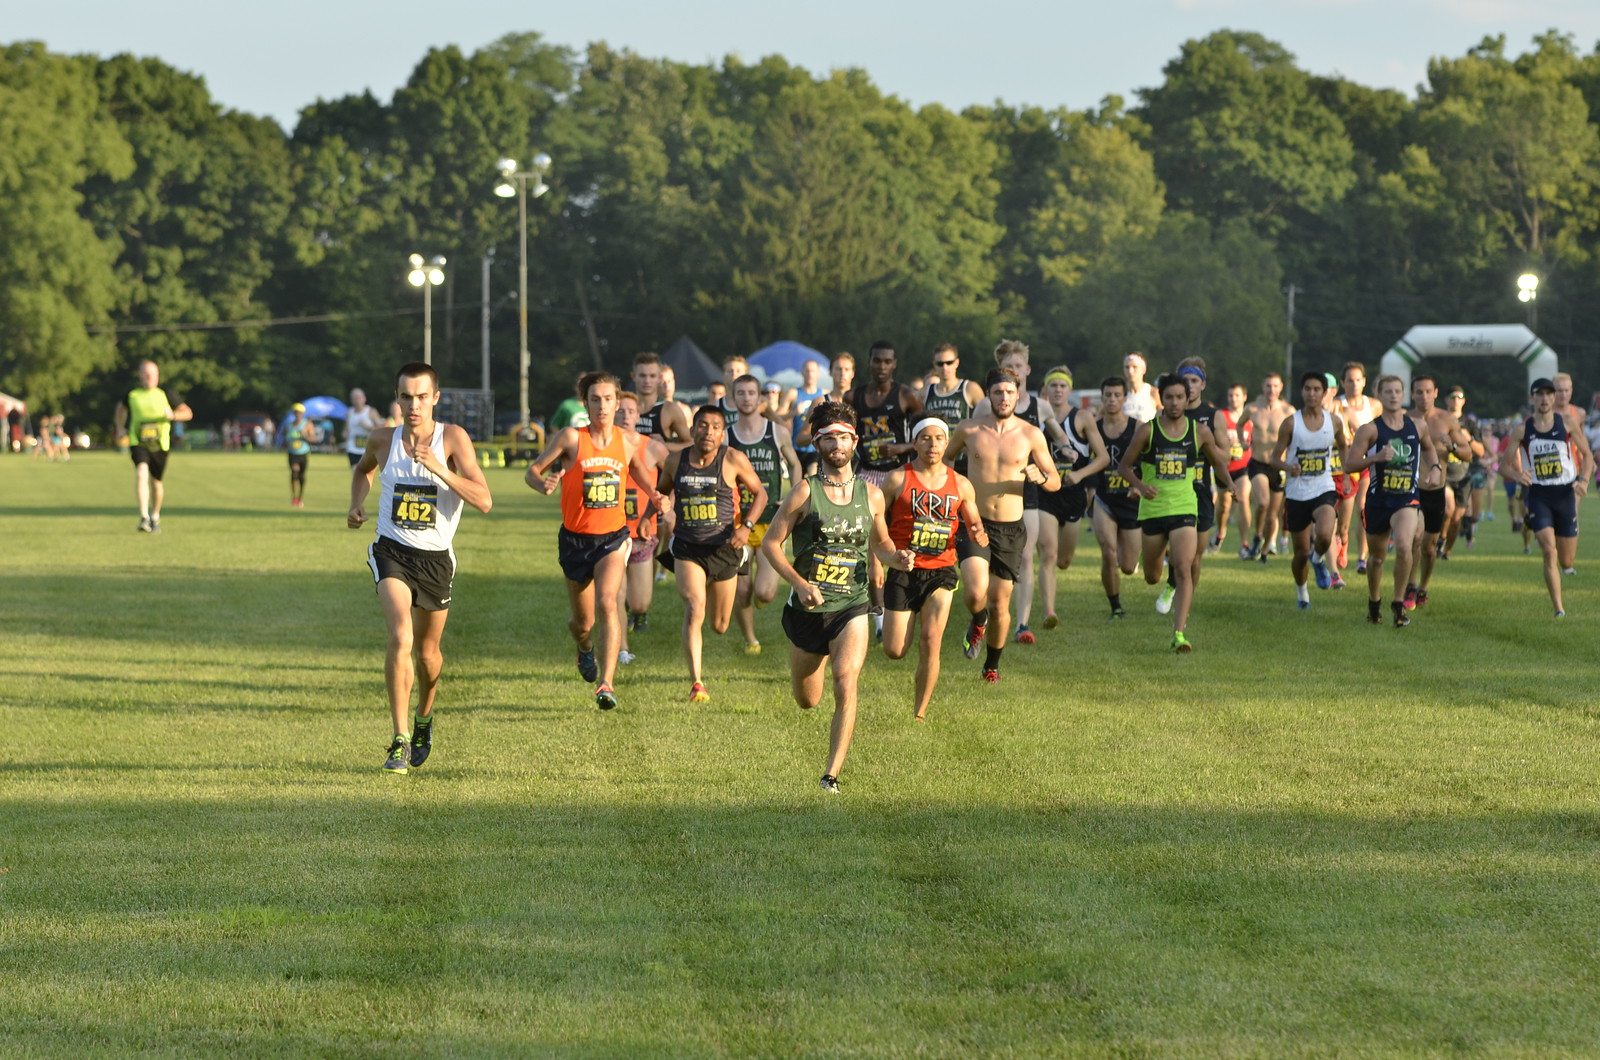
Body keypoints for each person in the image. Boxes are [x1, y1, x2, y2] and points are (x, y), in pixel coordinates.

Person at [761, 401, 915, 793]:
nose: (837, 443)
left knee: (846, 681)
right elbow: (771, 544)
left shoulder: (872, 495)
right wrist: (798, 583)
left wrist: (895, 556)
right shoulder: (803, 492)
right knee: (807, 700)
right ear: (817, 443)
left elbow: (879, 544)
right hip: (809, 609)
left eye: (844, 437)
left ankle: (831, 776)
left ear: (855, 441)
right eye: (829, 437)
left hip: (853, 603)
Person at [349, 362, 494, 774]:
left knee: (429, 656)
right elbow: (363, 472)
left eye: (421, 396)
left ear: (435, 398)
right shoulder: (381, 439)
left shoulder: (454, 439)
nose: (413, 404)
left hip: (436, 559)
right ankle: (398, 739)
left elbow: (484, 500)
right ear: (396, 398)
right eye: (405, 396)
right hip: (391, 550)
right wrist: (355, 504)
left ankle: (423, 718)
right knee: (401, 635)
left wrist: (438, 467)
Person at [528, 372, 662, 710]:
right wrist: (542, 483)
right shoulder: (571, 438)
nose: (602, 405)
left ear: (617, 403)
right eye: (594, 399)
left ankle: (607, 683)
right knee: (583, 623)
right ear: (585, 404)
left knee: (608, 601)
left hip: (613, 538)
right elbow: (533, 470)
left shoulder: (628, 441)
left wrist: (654, 495)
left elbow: (637, 470)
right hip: (575, 541)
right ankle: (584, 648)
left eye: (607, 399)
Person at [944, 368, 1060, 682]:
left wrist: (1042, 476)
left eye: (1009, 392)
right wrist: (951, 493)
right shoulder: (968, 430)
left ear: (1018, 394)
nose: (1004, 398)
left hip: (1010, 528)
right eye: (998, 392)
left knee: (999, 602)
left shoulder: (1030, 434)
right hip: (974, 523)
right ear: (989, 395)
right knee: (974, 591)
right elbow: (945, 462)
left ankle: (991, 666)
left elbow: (1056, 481)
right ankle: (976, 620)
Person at [1117, 374, 1243, 652]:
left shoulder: (1199, 431)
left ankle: (1179, 634)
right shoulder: (1147, 431)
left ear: (1188, 399)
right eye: (1169, 397)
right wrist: (1139, 485)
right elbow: (1123, 467)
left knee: (1184, 566)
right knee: (1151, 576)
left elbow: (1217, 461)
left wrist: (1230, 484)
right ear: (1161, 398)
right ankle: (1152, 562)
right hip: (1153, 510)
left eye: (1179, 397)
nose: (1174, 403)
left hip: (1186, 507)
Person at [880, 417, 987, 721]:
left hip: (941, 570)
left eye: (939, 438)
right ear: (914, 442)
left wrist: (979, 532)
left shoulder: (961, 484)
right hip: (903, 568)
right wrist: (882, 558)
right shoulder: (897, 479)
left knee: (931, 639)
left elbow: (974, 521)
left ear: (947, 442)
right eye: (925, 438)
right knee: (894, 650)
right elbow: (878, 523)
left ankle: (920, 712)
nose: (933, 444)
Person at [659, 405, 767, 702]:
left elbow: (761, 494)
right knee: (695, 607)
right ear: (692, 430)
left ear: (723, 433)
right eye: (703, 426)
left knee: (719, 626)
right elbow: (662, 492)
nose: (708, 432)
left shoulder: (733, 459)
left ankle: (713, 582)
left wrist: (745, 527)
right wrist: (660, 510)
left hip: (725, 547)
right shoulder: (674, 461)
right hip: (688, 547)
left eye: (715, 427)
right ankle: (697, 683)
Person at [1343, 374, 1439, 628]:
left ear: (1403, 394)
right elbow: (1349, 464)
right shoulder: (1370, 430)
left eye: (1398, 391)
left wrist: (1436, 467)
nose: (1394, 396)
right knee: (1377, 558)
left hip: (1406, 498)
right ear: (1380, 395)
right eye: (1388, 392)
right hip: (1378, 500)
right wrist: (1374, 459)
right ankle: (1374, 602)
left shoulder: (1417, 426)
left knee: (1405, 546)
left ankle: (1398, 604)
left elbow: (1428, 447)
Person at [1501, 378, 1594, 616]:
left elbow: (1588, 456)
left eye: (1548, 394)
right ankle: (1559, 609)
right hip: (1539, 494)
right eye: (1539, 395)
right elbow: (1503, 466)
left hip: (1565, 493)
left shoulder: (1568, 423)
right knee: (1548, 550)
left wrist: (1583, 481)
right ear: (1532, 398)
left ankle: (1560, 555)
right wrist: (1517, 474)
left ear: (1554, 398)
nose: (1544, 399)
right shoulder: (1522, 430)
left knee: (1566, 559)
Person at [728, 374, 803, 654]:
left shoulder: (776, 431)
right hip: (738, 523)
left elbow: (795, 463)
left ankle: (760, 603)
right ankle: (751, 639)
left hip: (771, 521)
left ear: (760, 398)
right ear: (733, 398)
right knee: (742, 590)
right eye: (741, 393)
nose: (746, 398)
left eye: (751, 393)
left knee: (765, 592)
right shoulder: (726, 435)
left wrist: (793, 494)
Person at [1035, 365, 1110, 628]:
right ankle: (1049, 612)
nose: (1057, 390)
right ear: (1045, 389)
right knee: (1049, 554)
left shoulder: (1082, 418)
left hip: (1073, 494)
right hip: (1044, 494)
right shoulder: (1034, 417)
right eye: (1052, 385)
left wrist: (1080, 476)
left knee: (1064, 561)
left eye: (1062, 386)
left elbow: (1103, 458)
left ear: (1070, 389)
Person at [1267, 372, 1349, 608]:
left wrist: (1344, 475)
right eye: (1307, 389)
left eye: (1316, 389)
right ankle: (1302, 592)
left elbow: (1344, 447)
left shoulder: (1333, 421)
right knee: (1300, 553)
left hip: (1324, 487)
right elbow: (1274, 458)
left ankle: (1319, 558)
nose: (1311, 394)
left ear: (1324, 393)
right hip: (1296, 493)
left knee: (1324, 534)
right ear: (1302, 392)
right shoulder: (1291, 423)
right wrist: (1287, 466)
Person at [1407, 374, 1473, 609]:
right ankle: (1411, 586)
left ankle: (1423, 586)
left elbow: (1468, 454)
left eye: (1428, 392)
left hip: (1434, 489)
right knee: (1413, 538)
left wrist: (1452, 446)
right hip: (1409, 489)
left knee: (1428, 547)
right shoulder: (1404, 420)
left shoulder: (1446, 420)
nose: (1423, 396)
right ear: (1412, 394)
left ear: (1435, 393)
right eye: (1418, 392)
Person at [615, 391, 669, 652]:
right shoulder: (602, 446)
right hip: (610, 532)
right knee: (615, 594)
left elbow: (672, 480)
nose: (625, 416)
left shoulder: (653, 447)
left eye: (631, 411)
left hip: (642, 532)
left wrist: (667, 508)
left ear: (639, 415)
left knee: (639, 602)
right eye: (621, 411)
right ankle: (622, 649)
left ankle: (636, 612)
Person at [114, 360, 194, 533]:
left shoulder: (166, 394)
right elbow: (120, 408)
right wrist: (120, 428)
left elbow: (187, 413)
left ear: (157, 375)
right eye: (146, 373)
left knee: (156, 483)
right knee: (141, 473)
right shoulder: (133, 395)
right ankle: (144, 518)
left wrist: (172, 415)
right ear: (140, 375)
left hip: (160, 445)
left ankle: (155, 516)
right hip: (138, 442)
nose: (150, 377)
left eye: (153, 374)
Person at [1092, 376, 1142, 619]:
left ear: (1125, 398)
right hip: (1104, 500)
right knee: (1108, 553)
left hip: (1131, 502)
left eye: (1116, 395)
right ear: (1102, 398)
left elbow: (1150, 463)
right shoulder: (1094, 428)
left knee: (1128, 566)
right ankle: (1116, 606)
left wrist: (1140, 486)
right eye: (1107, 395)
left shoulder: (1139, 427)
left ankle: (1125, 575)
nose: (1112, 399)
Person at [845, 340, 922, 487]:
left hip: (899, 473)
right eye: (877, 361)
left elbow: (926, 436)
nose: (882, 367)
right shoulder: (852, 397)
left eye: (887, 362)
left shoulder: (907, 396)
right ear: (869, 362)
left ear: (894, 364)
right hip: (864, 473)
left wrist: (901, 448)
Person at [1244, 372, 1294, 561]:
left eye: (1275, 386)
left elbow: (1298, 433)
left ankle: (1264, 549)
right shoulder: (1253, 409)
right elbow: (1240, 425)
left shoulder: (1288, 411)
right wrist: (1243, 441)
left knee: (1273, 514)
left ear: (1280, 387)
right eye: (1268, 386)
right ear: (1262, 387)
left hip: (1279, 465)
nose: (1271, 390)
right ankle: (1257, 535)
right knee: (1262, 503)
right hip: (1258, 463)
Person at [1212, 383, 1254, 556]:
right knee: (1223, 506)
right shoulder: (1221, 416)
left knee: (1243, 497)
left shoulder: (1251, 418)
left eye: (1237, 395)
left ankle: (1244, 543)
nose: (1233, 399)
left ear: (1244, 397)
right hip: (1224, 468)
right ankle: (1220, 533)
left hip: (1244, 467)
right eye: (1230, 395)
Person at [784, 356, 828, 477]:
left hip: (815, 449)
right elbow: (777, 417)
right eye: (807, 370)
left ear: (818, 374)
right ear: (802, 373)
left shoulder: (824, 394)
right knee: (796, 488)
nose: (810, 374)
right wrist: (793, 413)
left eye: (813, 371)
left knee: (813, 479)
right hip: (796, 448)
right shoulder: (793, 393)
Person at [284, 402, 322, 507]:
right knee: (294, 472)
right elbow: (284, 438)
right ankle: (294, 497)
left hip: (303, 454)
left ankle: (300, 497)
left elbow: (313, 439)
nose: (298, 414)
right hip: (292, 454)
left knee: (302, 476)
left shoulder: (307, 425)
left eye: (300, 412)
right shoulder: (289, 426)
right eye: (296, 412)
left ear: (302, 413)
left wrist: (305, 436)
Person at [344, 388, 384, 467]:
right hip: (353, 448)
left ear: (364, 399)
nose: (357, 400)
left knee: (367, 475)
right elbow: (346, 429)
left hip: (368, 449)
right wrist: (345, 434)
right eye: (355, 398)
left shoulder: (371, 411)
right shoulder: (349, 412)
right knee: (355, 472)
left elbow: (380, 429)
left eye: (359, 398)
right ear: (352, 401)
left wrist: (367, 427)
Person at [1121, 352, 1158, 423]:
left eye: (1135, 367)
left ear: (1144, 369)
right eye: (1127, 367)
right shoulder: (1118, 394)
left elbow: (1164, 417)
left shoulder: (1153, 392)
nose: (1130, 371)